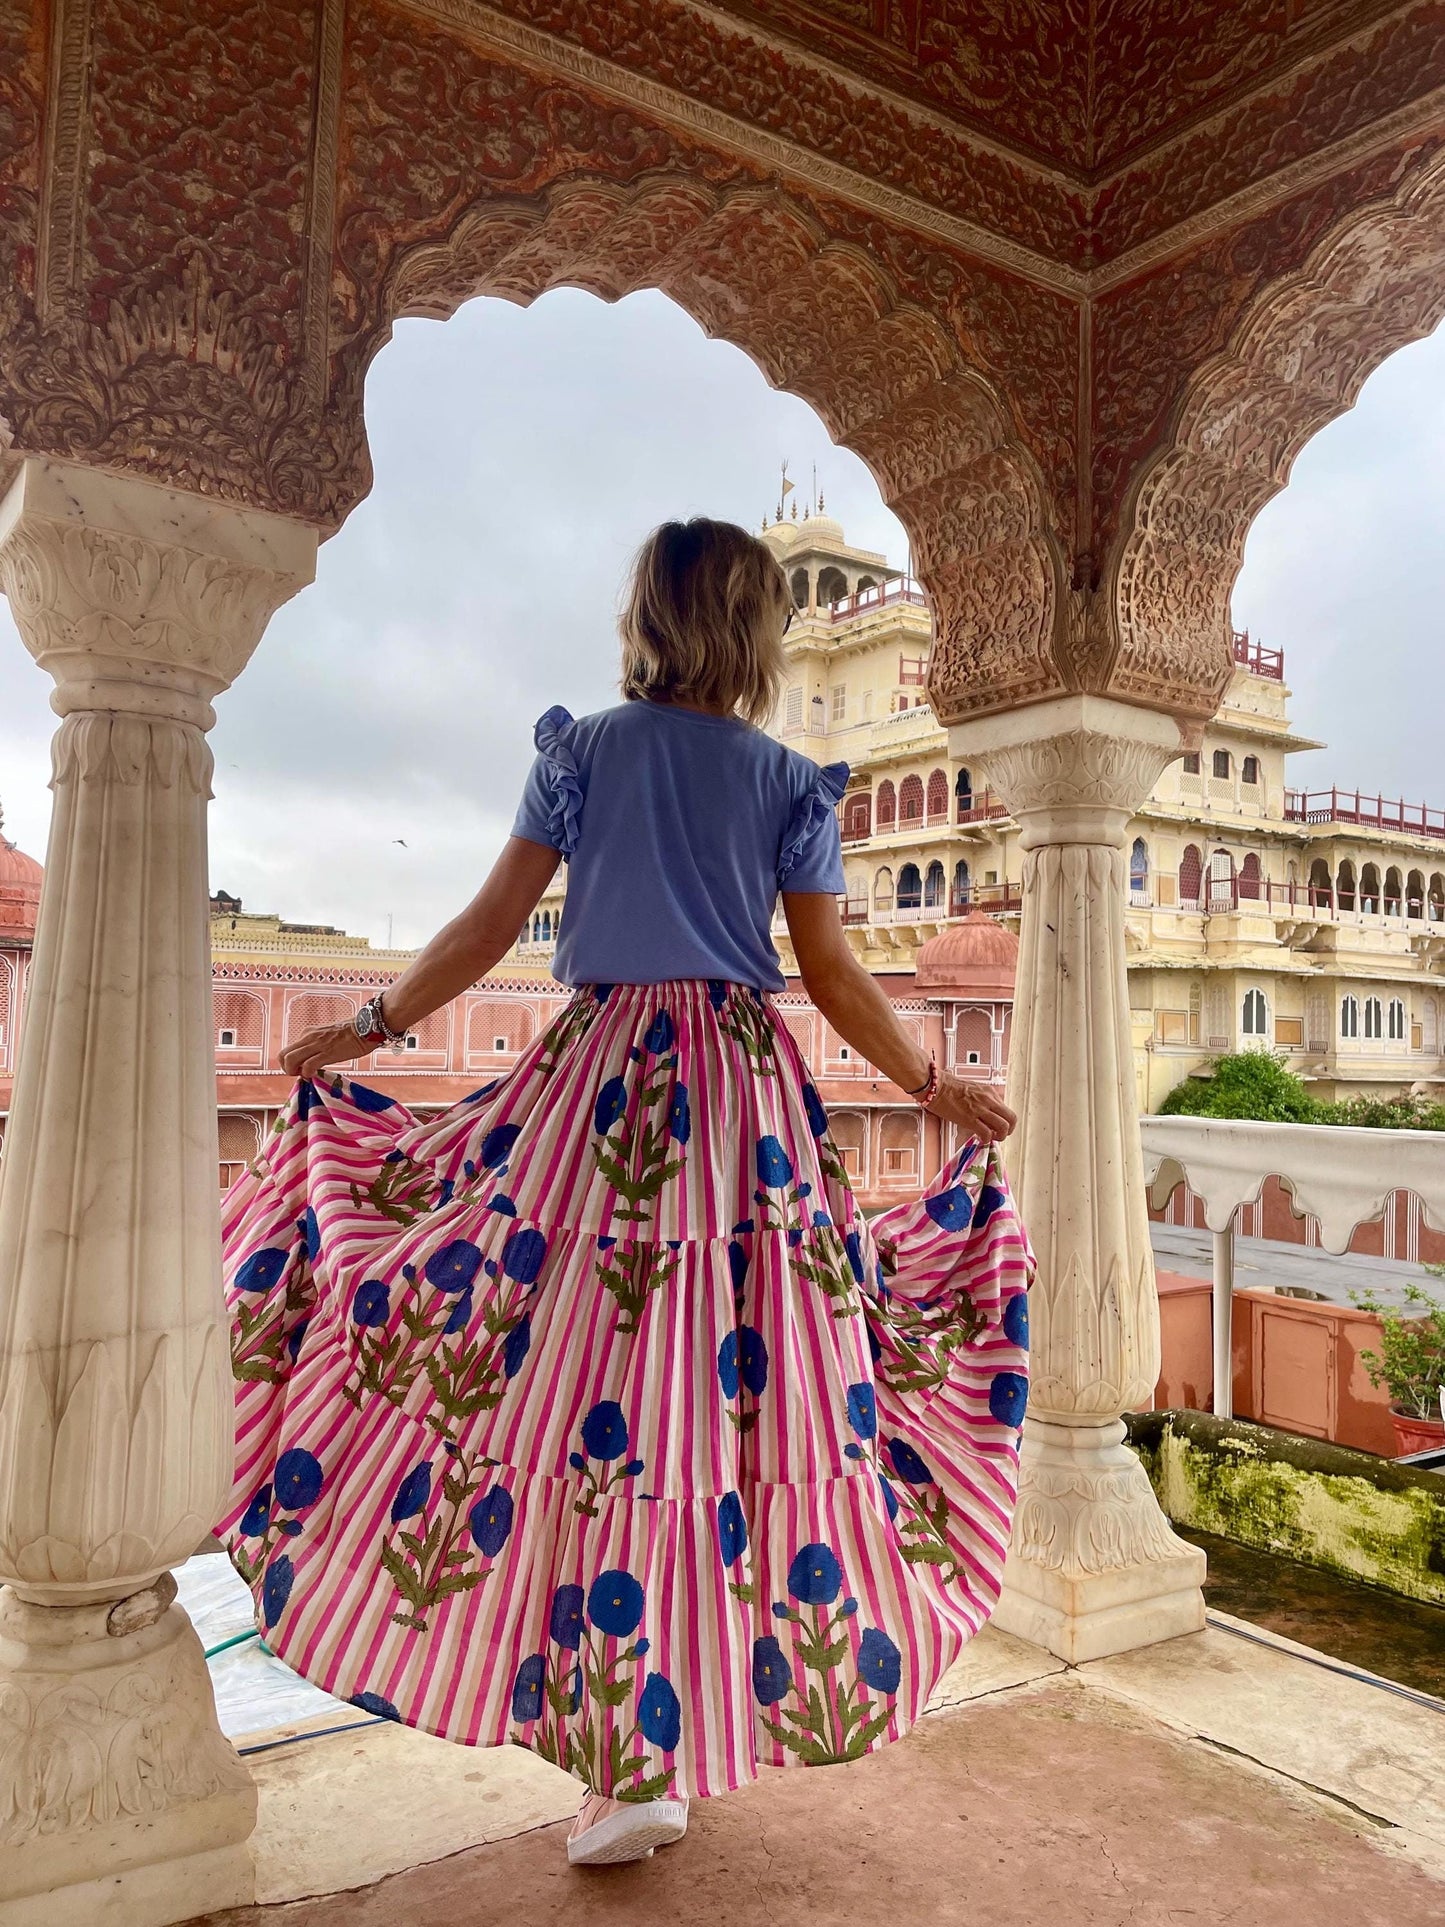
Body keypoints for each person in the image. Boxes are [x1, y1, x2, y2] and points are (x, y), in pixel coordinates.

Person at [218, 518, 1031, 1870]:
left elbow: (487, 930)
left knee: (564, 1410)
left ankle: (626, 1766)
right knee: (707, 1426)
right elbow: (830, 976)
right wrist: (931, 1082)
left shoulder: (582, 753)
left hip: (594, 1101)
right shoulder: (786, 778)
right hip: (735, 1112)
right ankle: (653, 1761)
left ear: (644, 617)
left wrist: (367, 1031)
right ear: (761, 632)